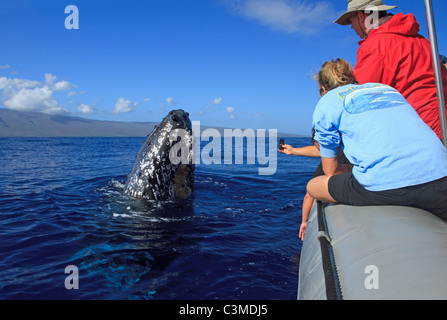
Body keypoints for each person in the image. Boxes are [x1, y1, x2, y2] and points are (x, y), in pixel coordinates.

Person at [307, 58, 447, 220]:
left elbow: (331, 171)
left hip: (387, 188)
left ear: (323, 89)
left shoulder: (327, 101)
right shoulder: (386, 89)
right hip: (441, 176)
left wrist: (349, 168)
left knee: (313, 186)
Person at [334, 0, 447, 140]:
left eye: (351, 21)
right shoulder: (421, 40)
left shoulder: (375, 44)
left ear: (361, 16)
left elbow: (361, 100)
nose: (351, 27)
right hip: (442, 124)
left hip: (420, 132)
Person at [281, 130, 351, 240]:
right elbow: (321, 150)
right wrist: (293, 150)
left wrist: (304, 222)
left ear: (317, 142)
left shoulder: (329, 166)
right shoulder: (348, 146)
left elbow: (309, 195)